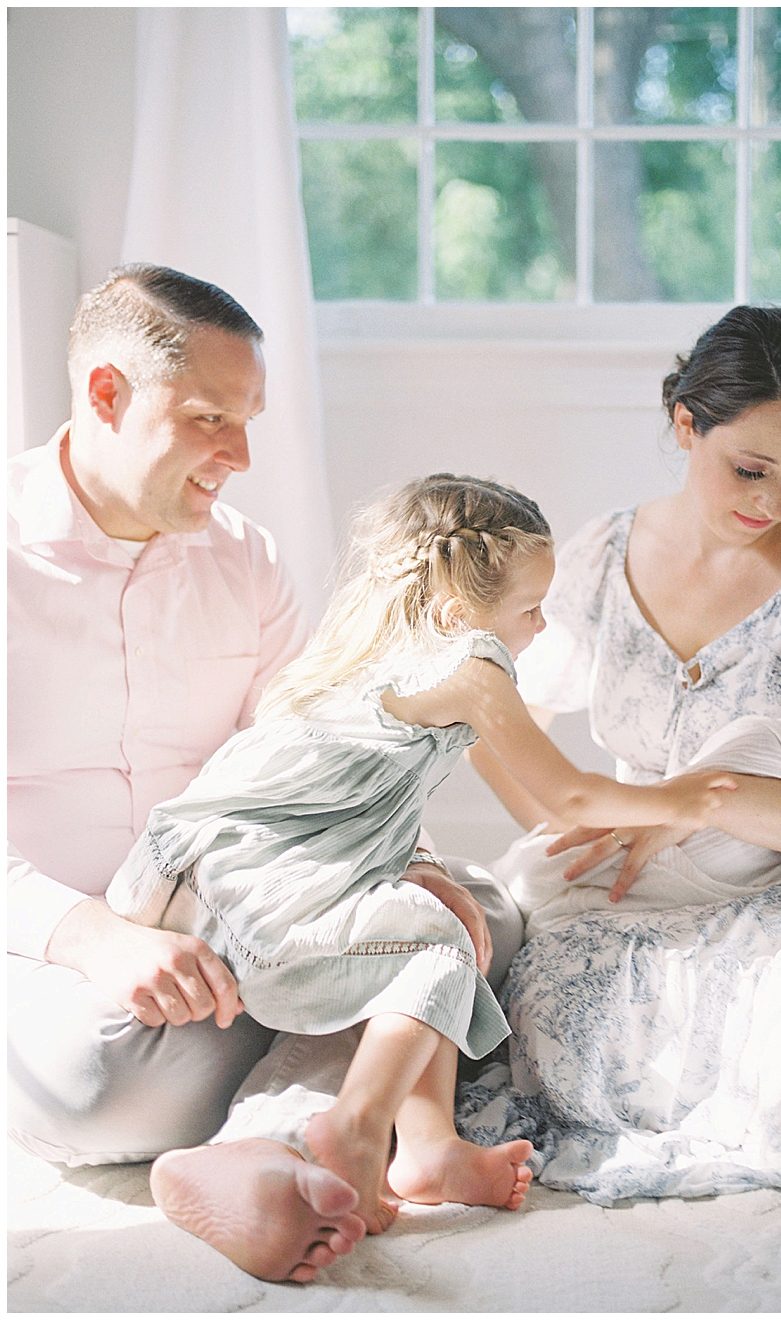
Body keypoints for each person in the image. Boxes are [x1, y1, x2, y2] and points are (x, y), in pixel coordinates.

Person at [7, 264, 523, 1284]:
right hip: (62, 953)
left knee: (481, 918)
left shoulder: (245, 560)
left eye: (246, 422)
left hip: (258, 911)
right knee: (83, 1086)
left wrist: (403, 869)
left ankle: (282, 1146)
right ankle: (324, 1115)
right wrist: (91, 937)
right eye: (209, 419)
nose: (238, 457)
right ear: (106, 394)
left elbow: (328, 757)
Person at [105, 472, 742, 1246]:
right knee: (432, 941)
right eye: (530, 609)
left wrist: (422, 868)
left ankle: (430, 1145)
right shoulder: (471, 664)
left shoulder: (375, 657)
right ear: (457, 613)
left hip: (204, 864)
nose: (541, 627)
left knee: (442, 915)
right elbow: (568, 797)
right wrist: (686, 800)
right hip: (234, 882)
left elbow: (341, 800)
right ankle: (359, 1126)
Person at [462, 305, 781, 1205]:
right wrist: (570, 834)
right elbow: (496, 722)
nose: (776, 500)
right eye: (751, 468)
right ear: (684, 424)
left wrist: (704, 802)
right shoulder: (597, 559)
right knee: (554, 1026)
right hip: (650, 900)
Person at [494, 680, 781, 938]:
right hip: (702, 872)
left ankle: (516, 891)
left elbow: (685, 791)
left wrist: (657, 810)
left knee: (539, 873)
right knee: (580, 882)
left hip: (687, 861)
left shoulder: (765, 739)